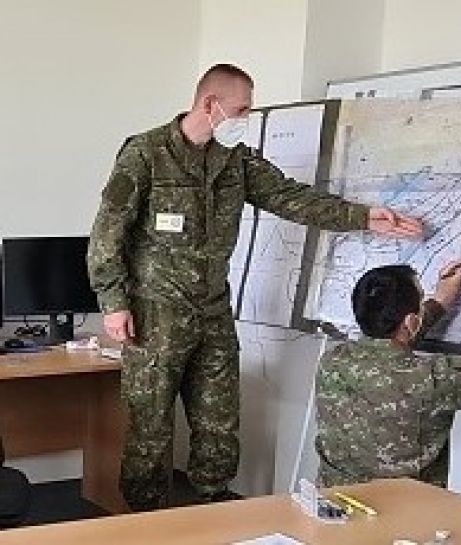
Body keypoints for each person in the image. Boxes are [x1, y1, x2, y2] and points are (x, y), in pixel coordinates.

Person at [87, 63, 424, 511]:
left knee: (219, 421)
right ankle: (144, 520)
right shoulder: (146, 154)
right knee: (150, 426)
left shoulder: (236, 161)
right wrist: (114, 302)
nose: (247, 118)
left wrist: (364, 217)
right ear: (210, 104)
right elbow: (107, 234)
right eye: (242, 110)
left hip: (212, 312)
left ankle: (215, 508)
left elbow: (292, 197)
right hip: (156, 313)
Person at [315, 262, 461, 488]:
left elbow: (390, 344)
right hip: (404, 506)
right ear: (411, 322)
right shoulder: (430, 378)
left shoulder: (332, 360)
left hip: (333, 500)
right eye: (421, 300)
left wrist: (440, 302)